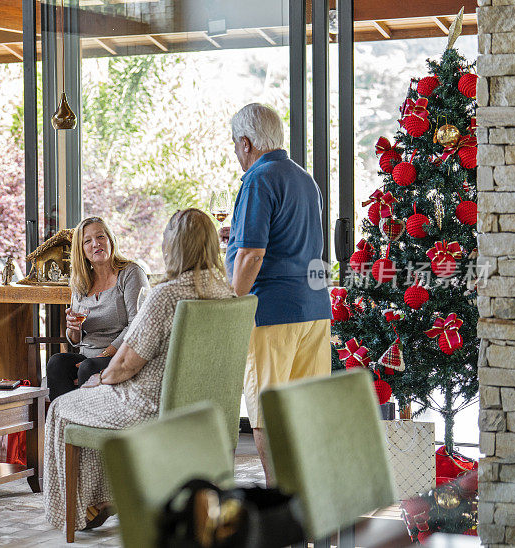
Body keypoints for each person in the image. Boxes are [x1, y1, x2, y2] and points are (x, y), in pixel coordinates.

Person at [44, 208, 234, 532]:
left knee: (64, 408)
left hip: (147, 403)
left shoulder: (166, 294)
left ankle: (78, 509)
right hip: (204, 405)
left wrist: (99, 379)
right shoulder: (226, 292)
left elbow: (127, 363)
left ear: (175, 246)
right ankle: (107, 497)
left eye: (165, 238)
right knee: (73, 382)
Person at [225, 104, 332, 483]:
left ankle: (282, 506)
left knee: (267, 417)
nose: (236, 154)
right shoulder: (305, 179)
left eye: (235, 146)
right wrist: (235, 236)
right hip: (315, 308)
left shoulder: (259, 179)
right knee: (303, 411)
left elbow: (252, 254)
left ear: (247, 142)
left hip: (271, 313)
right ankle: (311, 501)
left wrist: (232, 304)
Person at [45, 216, 149, 401]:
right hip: (88, 357)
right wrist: (73, 329)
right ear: (82, 250)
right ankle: (65, 424)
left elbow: (137, 325)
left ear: (110, 240)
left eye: (100, 237)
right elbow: (75, 340)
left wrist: (105, 353)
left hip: (122, 357)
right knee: (56, 363)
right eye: (87, 241)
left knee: (88, 367)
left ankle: (90, 426)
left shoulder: (130, 273)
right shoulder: (80, 282)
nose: (95, 244)